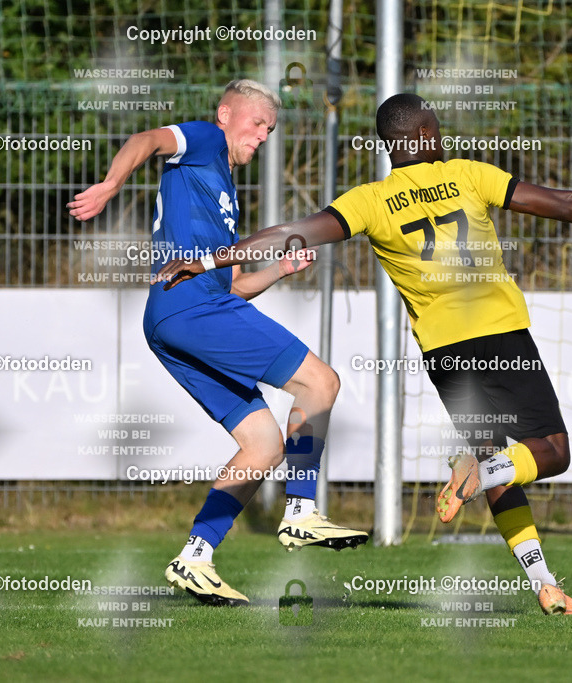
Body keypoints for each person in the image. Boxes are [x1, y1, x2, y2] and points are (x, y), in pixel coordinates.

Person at [155, 92, 572, 615]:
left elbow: (292, 232)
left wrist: (210, 261)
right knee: (552, 451)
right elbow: (564, 204)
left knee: (495, 463)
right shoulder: (468, 174)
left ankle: (543, 582)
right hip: (499, 336)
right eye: (437, 131)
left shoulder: (369, 201)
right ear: (424, 134)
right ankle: (482, 472)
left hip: (444, 352)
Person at [68, 79, 367, 607]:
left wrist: (278, 268)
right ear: (227, 113)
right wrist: (112, 185)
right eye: (257, 124)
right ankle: (300, 512)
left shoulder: (220, 186)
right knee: (321, 383)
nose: (262, 136)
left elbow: (233, 285)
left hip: (174, 315)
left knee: (264, 446)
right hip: (191, 309)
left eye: (270, 130)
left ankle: (196, 556)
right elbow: (146, 140)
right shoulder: (205, 140)